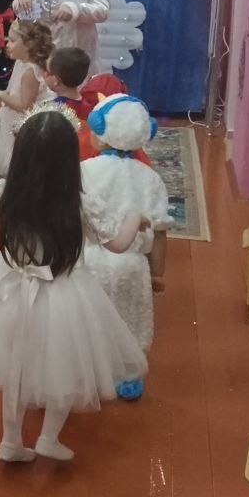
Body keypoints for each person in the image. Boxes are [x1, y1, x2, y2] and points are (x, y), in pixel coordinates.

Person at [0, 104, 147, 463]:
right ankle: (48, 438)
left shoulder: (7, 192)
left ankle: (11, 441)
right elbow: (119, 243)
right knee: (64, 367)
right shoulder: (79, 202)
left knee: (16, 368)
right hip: (65, 295)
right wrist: (135, 217)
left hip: (8, 291)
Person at [79, 95, 172, 400]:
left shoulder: (85, 171)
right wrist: (157, 273)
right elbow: (160, 232)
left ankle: (87, 371)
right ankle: (127, 376)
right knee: (130, 320)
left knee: (89, 319)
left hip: (87, 260)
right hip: (132, 264)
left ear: (99, 132)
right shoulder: (151, 179)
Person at [44, 47, 151, 164]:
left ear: (56, 80)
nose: (44, 74)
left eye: (47, 72)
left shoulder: (53, 110)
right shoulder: (94, 101)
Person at [0, 21, 54, 177]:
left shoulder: (30, 72)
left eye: (12, 40)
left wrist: (2, 95)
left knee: (19, 164)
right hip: (15, 122)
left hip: (24, 126)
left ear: (29, 44)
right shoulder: (22, 63)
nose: (7, 44)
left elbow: (25, 107)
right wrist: (7, 94)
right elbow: (17, 90)